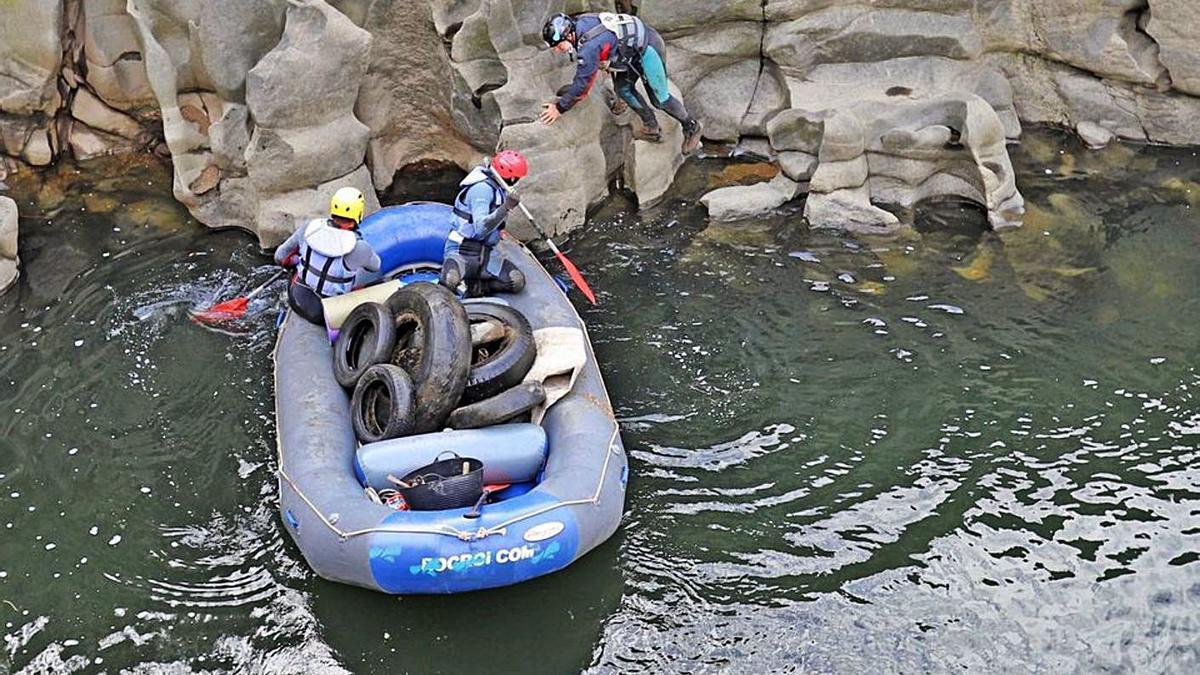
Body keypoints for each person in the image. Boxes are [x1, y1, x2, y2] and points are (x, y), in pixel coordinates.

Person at [539, 11, 703, 154]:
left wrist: (560, 108)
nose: (556, 50)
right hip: (629, 52)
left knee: (660, 99)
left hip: (647, 48)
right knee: (623, 89)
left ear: (568, 35)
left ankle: (692, 127)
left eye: (558, 45)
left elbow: (583, 85)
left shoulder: (588, 47)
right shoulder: (580, 23)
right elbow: (609, 40)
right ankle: (651, 127)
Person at [274, 186, 380, 325]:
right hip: (326, 313)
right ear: (359, 212)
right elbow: (376, 267)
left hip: (296, 298)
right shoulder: (359, 247)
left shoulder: (309, 228)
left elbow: (280, 257)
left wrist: (297, 260)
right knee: (374, 281)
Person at [439, 150, 528, 297]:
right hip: (462, 250)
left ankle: (477, 287)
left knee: (516, 281)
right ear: (510, 176)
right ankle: (455, 288)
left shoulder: (501, 188)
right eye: (516, 177)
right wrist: (506, 207)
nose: (518, 180)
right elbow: (481, 229)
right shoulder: (482, 190)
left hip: (487, 253)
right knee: (450, 280)